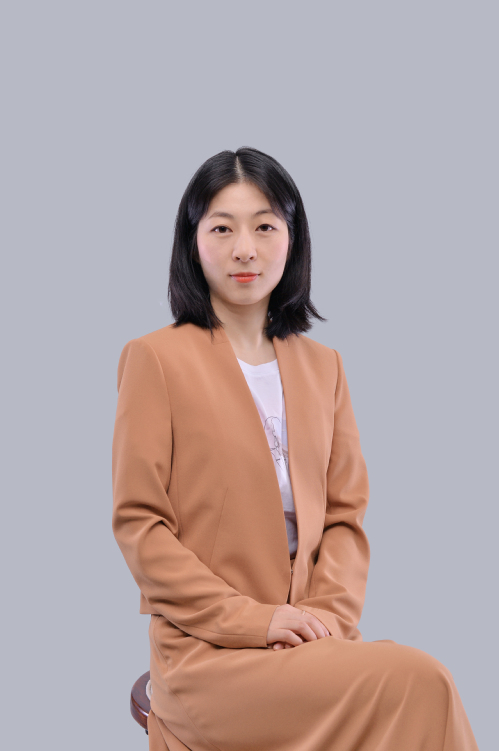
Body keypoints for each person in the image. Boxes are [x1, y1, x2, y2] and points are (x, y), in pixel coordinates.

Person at [112, 147, 479, 750]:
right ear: (192, 241)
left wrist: (325, 618)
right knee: (421, 681)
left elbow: (344, 517)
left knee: (409, 689)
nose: (245, 249)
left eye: (264, 227)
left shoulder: (323, 367)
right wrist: (255, 620)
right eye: (222, 229)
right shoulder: (155, 360)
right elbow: (140, 526)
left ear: (293, 238)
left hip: (309, 640)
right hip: (209, 654)